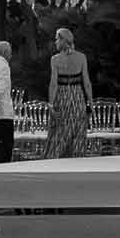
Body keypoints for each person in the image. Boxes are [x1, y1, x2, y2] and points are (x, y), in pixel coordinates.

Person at [45, 26, 94, 157]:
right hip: (78, 96)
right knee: (78, 129)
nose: (55, 42)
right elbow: (87, 82)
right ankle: (77, 158)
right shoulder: (82, 57)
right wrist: (90, 102)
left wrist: (50, 104)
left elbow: (53, 83)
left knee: (60, 130)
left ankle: (55, 158)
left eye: (57, 39)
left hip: (62, 97)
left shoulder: (55, 59)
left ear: (63, 40)